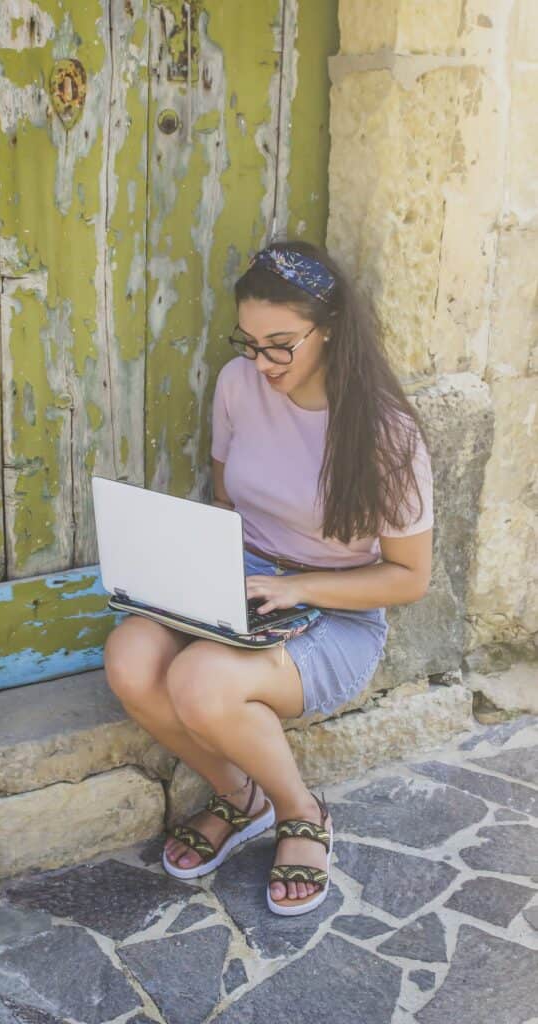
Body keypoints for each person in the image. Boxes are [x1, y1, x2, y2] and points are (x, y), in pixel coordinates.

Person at [104, 240, 433, 916]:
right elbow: (232, 501)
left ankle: (298, 813)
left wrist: (300, 588)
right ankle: (240, 796)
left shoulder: (384, 432)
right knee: (130, 658)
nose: (261, 362)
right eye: (249, 342)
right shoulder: (236, 384)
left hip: (339, 609)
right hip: (245, 579)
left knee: (200, 683)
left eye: (280, 344)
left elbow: (407, 577)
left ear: (330, 330)